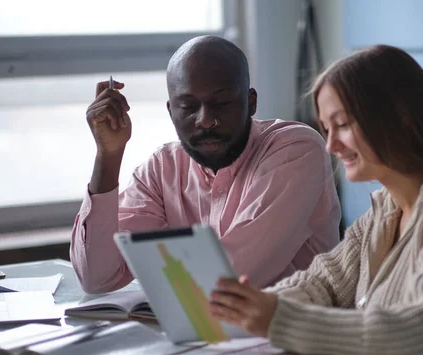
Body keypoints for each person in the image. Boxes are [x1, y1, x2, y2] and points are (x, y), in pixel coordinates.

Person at [209, 44, 423, 355]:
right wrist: (245, 312)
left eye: (343, 124)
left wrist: (278, 319)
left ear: (400, 117)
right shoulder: (387, 208)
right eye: (326, 129)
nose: (331, 145)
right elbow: (326, 285)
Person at [70, 35, 341, 293]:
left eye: (221, 103)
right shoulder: (162, 169)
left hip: (295, 335)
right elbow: (97, 279)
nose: (206, 120)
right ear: (171, 111)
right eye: (188, 106)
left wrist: (152, 267)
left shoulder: (296, 149)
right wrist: (108, 156)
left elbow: (234, 275)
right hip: (202, 334)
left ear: (251, 101)